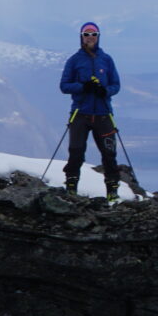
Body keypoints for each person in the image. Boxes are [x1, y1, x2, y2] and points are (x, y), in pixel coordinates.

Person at [59, 21, 122, 201]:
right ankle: (71, 189)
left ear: (98, 37)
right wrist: (83, 87)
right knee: (76, 151)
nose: (90, 37)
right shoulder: (74, 60)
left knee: (109, 154)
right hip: (80, 113)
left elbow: (116, 85)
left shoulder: (107, 60)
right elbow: (64, 86)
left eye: (93, 34)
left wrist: (105, 91)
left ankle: (112, 192)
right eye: (87, 34)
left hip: (103, 114)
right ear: (81, 37)